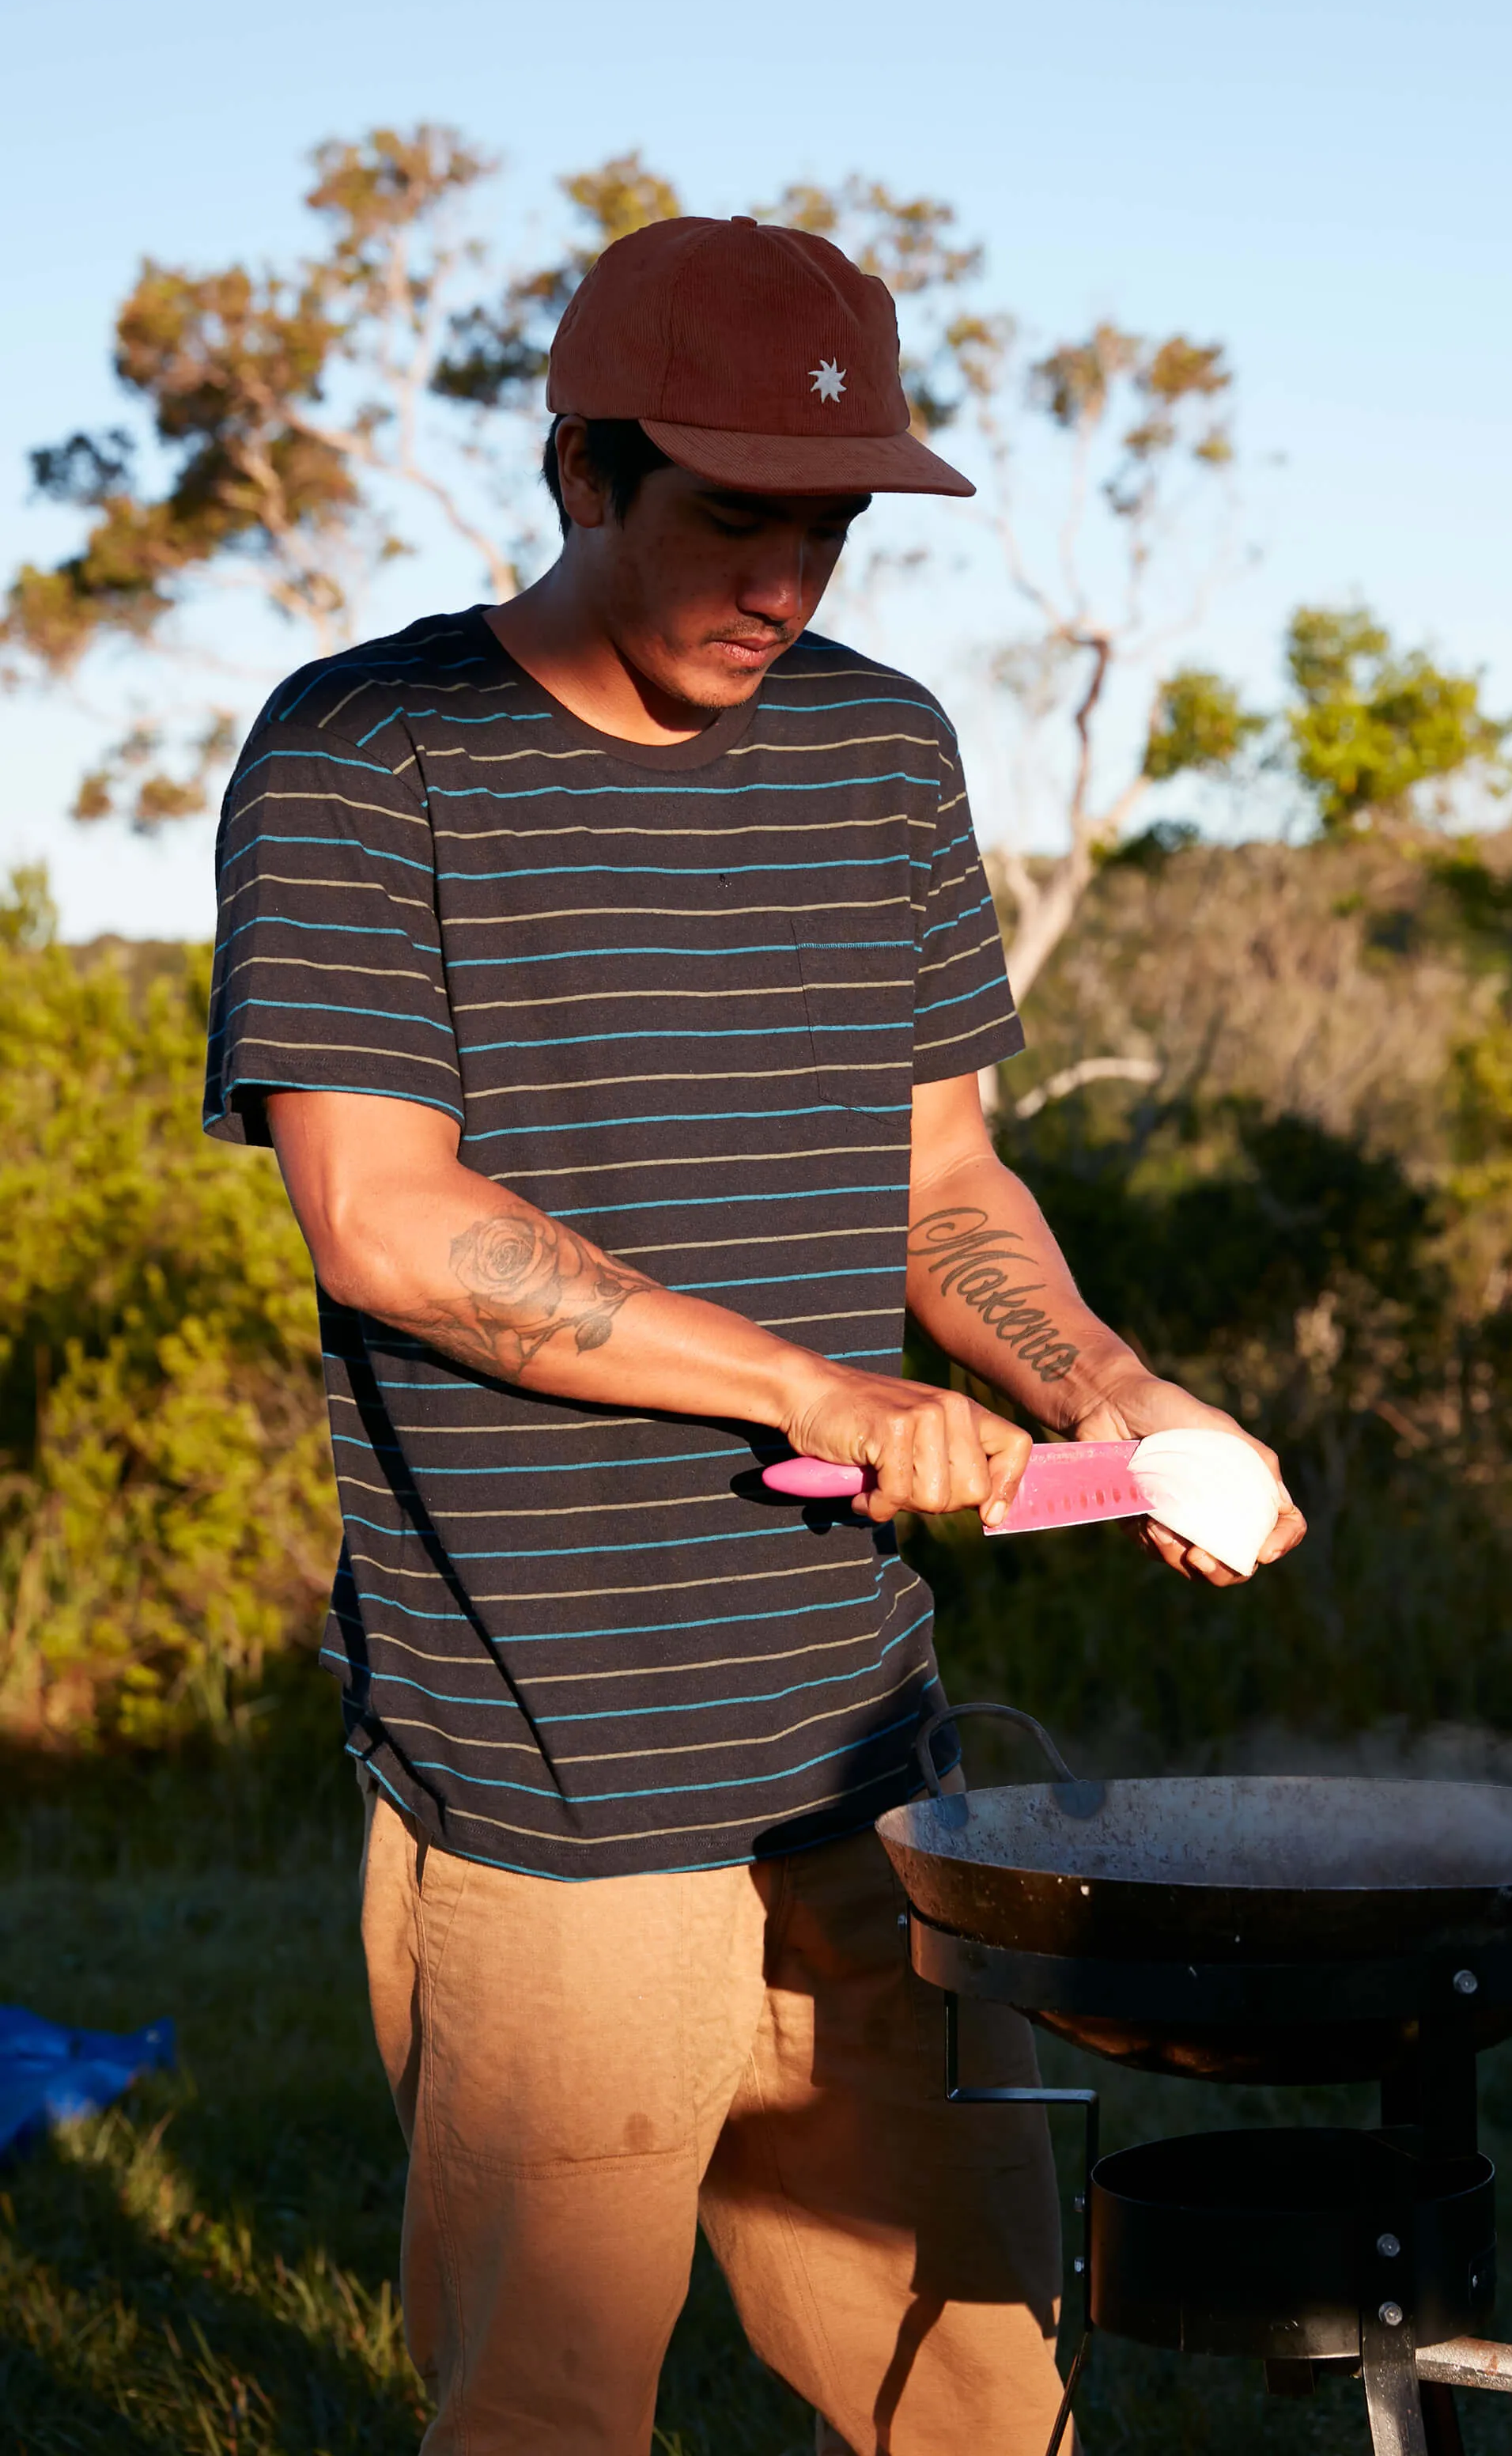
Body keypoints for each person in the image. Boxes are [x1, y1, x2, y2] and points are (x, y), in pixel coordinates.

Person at [202, 214, 1306, 2456]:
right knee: (548, 2420)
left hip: (859, 1768)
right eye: (733, 517)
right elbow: (392, 1226)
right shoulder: (362, 757)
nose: (785, 583)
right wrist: (809, 1389)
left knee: (986, 2408)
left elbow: (945, 1183)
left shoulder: (881, 756)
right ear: (582, 474)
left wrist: (1116, 1396)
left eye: (828, 528)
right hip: (546, 1785)